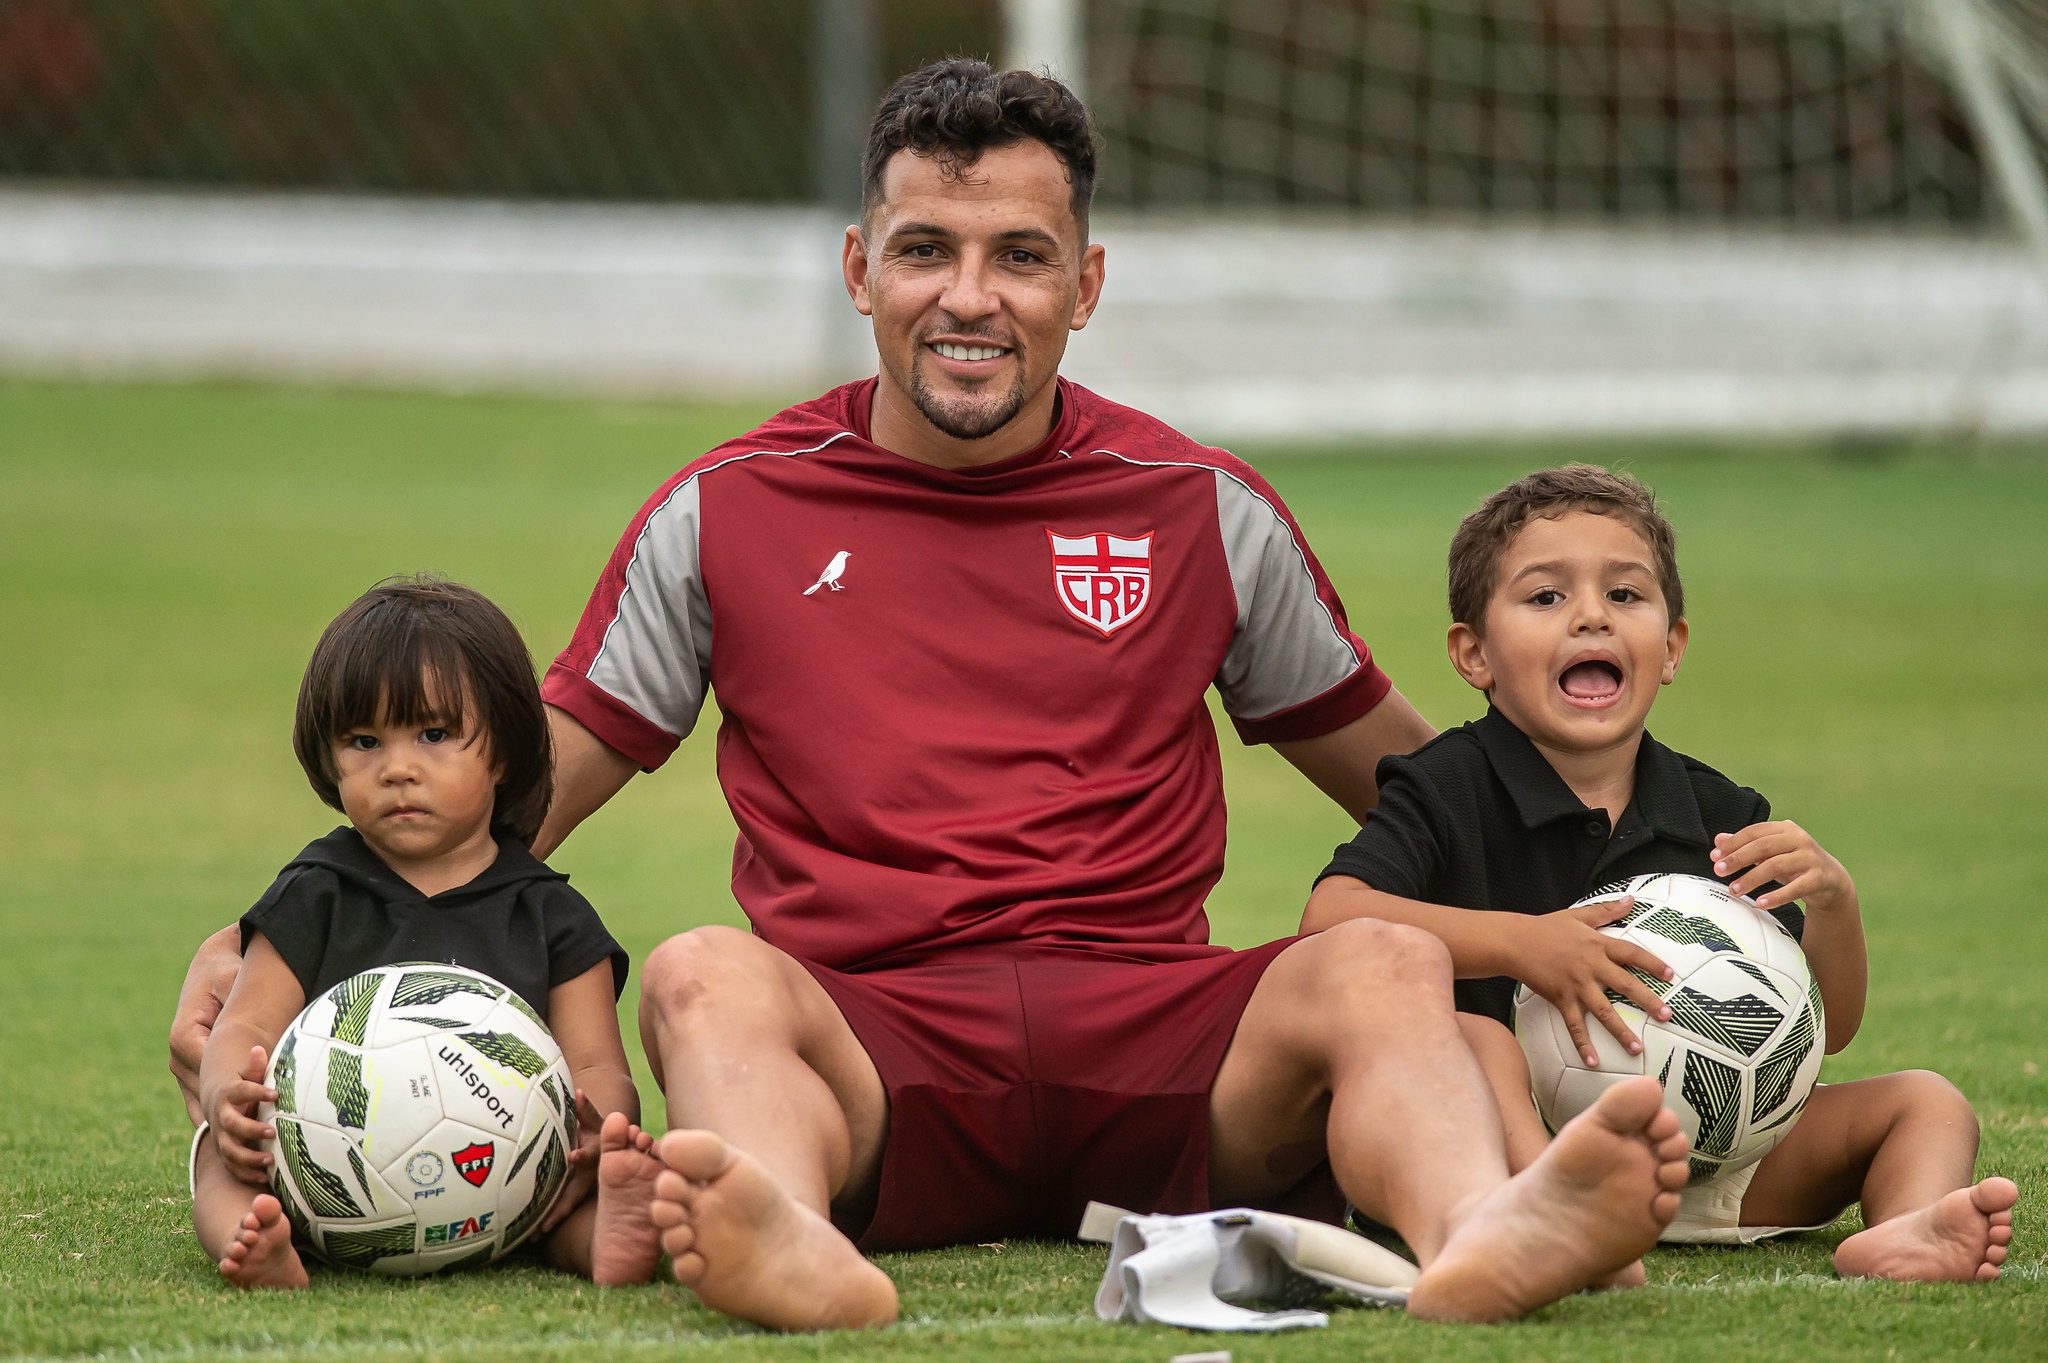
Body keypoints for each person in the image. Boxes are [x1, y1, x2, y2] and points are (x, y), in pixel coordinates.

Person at [173, 62, 1693, 1327]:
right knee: (704, 968)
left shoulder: (1200, 505)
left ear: (1084, 282)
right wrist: (273, 949)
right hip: (879, 1054)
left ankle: (1485, 1230)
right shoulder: (727, 510)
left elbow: (1432, 793)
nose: (970, 297)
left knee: (1374, 959)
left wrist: (1703, 907)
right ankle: (798, 1251)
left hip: (1168, 1044)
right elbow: (494, 819)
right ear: (860, 268)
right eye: (926, 251)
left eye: (1021, 255)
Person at [1303, 464, 2017, 1282]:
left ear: (1671, 646)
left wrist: (1835, 902)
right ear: (1474, 654)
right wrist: (1522, 945)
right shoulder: (1444, 784)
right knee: (1481, 1037)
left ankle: (1909, 1226)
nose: (1590, 617)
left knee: (1926, 1100)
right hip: (1501, 1143)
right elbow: (1330, 918)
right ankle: (1550, 1214)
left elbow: (1825, 1031)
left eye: (1625, 595)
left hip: (1707, 1153)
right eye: (1546, 597)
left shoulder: (1719, 809)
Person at [189, 576, 665, 1289]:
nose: (399, 769)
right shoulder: (315, 891)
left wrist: (603, 1124)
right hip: (326, 1184)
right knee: (218, 1161)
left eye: (434, 734)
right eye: (364, 741)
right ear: (328, 756)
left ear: (502, 751)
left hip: (506, 1193)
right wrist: (228, 1089)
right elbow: (244, 1021)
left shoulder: (552, 917)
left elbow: (598, 1063)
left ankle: (605, 1240)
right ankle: (259, 1242)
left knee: (576, 1195)